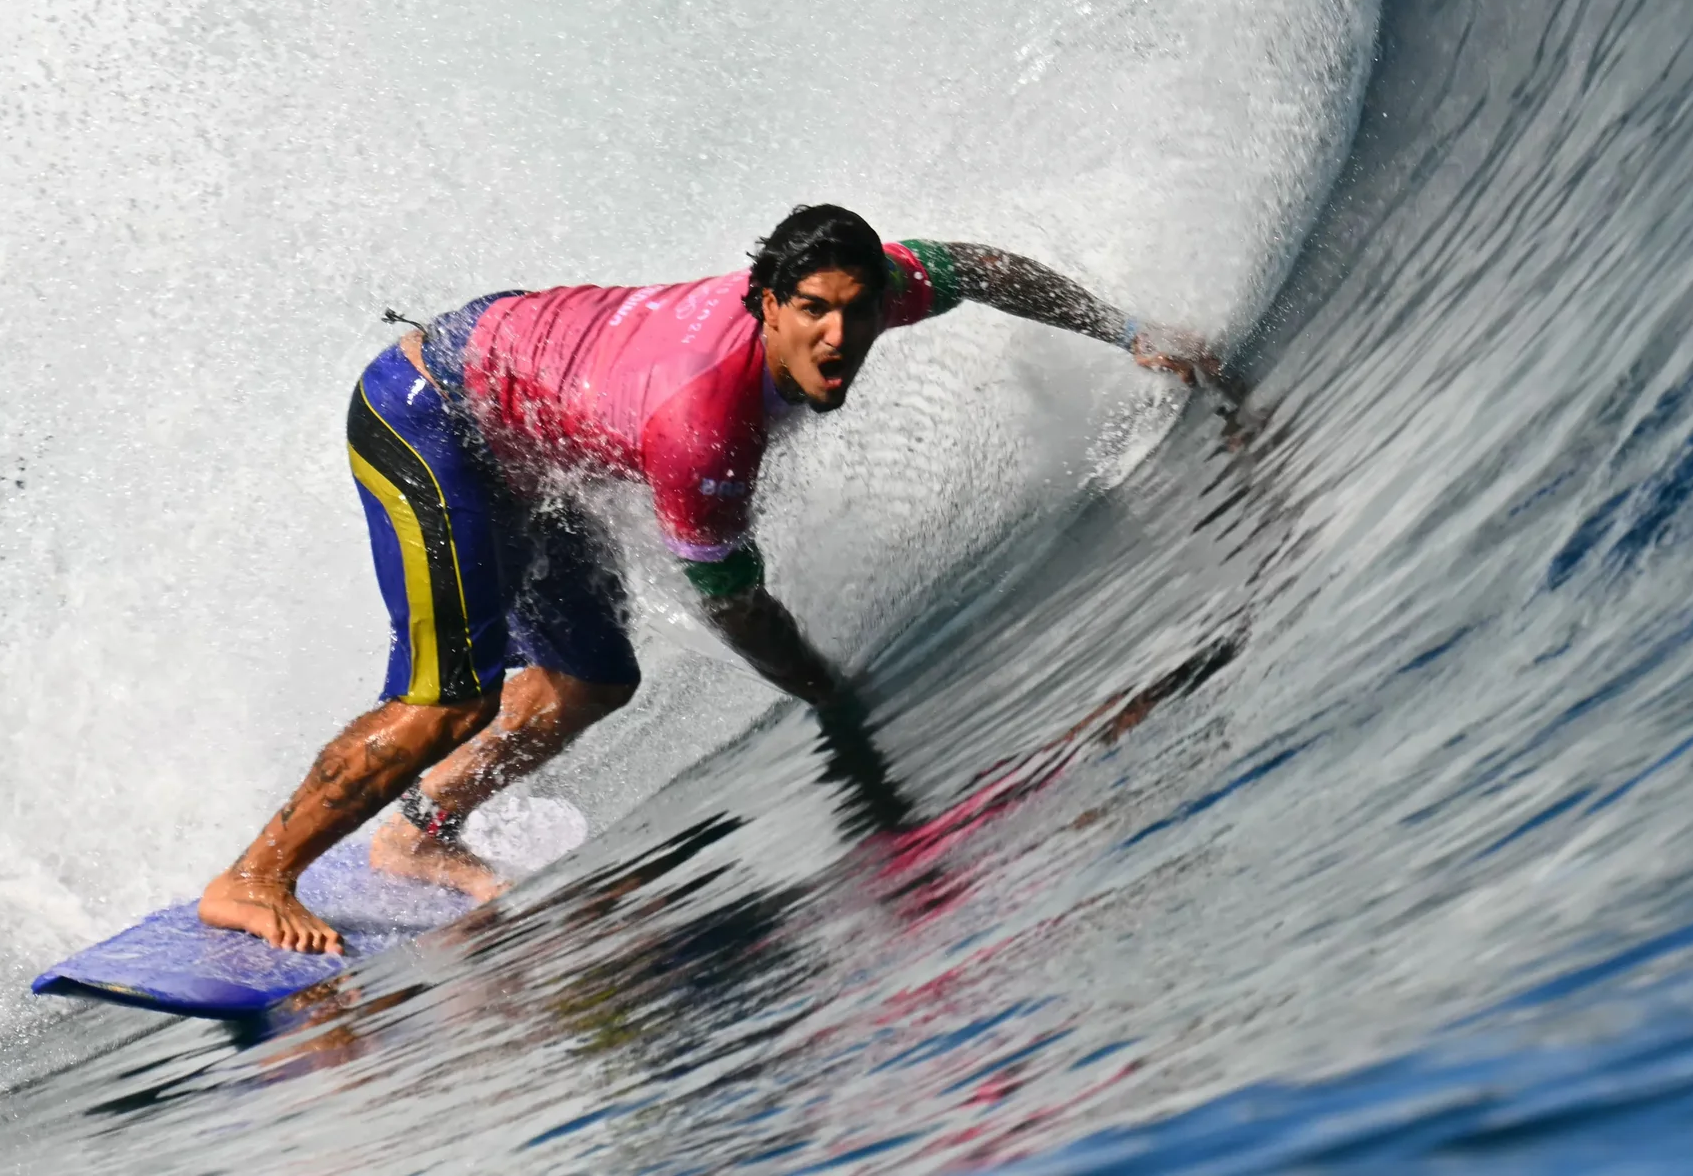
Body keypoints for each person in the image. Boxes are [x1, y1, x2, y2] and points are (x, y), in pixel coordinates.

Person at [196, 203, 1217, 952]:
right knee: (448, 698)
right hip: (431, 412)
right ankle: (253, 875)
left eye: (857, 313)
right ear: (763, 303)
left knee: (587, 681)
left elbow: (981, 267)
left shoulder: (864, 293)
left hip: (529, 428)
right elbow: (734, 606)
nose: (838, 338)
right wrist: (833, 691)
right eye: (811, 310)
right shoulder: (704, 426)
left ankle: (418, 833)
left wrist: (1128, 330)